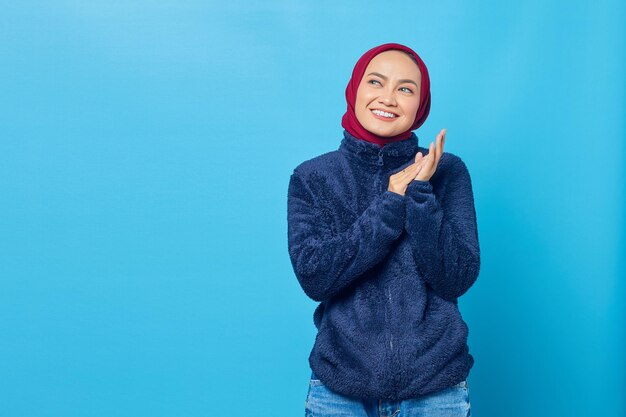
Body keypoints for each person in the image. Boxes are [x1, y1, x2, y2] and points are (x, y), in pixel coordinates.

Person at [287, 42, 480, 417]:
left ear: (420, 105)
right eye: (376, 82)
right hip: (339, 392)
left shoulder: (448, 171)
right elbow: (316, 279)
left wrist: (420, 193)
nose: (389, 98)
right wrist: (392, 202)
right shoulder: (313, 177)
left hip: (436, 390)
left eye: (406, 89)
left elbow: (455, 278)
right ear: (355, 89)